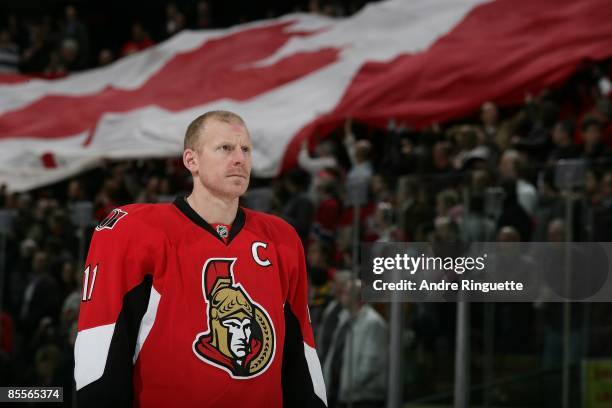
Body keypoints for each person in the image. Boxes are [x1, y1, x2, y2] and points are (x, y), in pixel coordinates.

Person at [74, 111, 327, 407]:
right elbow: (101, 351)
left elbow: (301, 355)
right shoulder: (137, 231)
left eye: (245, 149)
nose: (239, 159)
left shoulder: (281, 238)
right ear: (191, 160)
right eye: (225, 148)